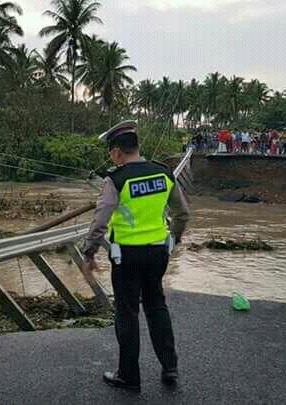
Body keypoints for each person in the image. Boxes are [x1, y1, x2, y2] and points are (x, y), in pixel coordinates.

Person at [82, 120, 190, 392]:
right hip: (158, 254)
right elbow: (182, 213)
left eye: (111, 153)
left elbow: (100, 221)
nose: (111, 158)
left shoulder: (116, 179)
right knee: (156, 306)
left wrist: (89, 252)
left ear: (118, 152)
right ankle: (171, 368)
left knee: (127, 313)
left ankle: (129, 377)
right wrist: (173, 238)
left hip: (127, 257)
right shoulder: (164, 173)